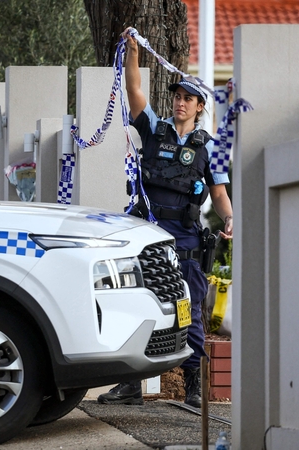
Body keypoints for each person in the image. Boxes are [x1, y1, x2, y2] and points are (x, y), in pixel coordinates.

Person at [97, 28, 233, 408]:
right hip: (144, 231)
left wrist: (230, 219)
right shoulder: (155, 130)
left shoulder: (210, 148)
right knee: (134, 304)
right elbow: (135, 91)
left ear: (200, 106)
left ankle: (192, 385)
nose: (180, 103)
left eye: (188, 99)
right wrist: (133, 54)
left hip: (185, 240)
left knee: (186, 310)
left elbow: (220, 194)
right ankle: (130, 385)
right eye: (177, 96)